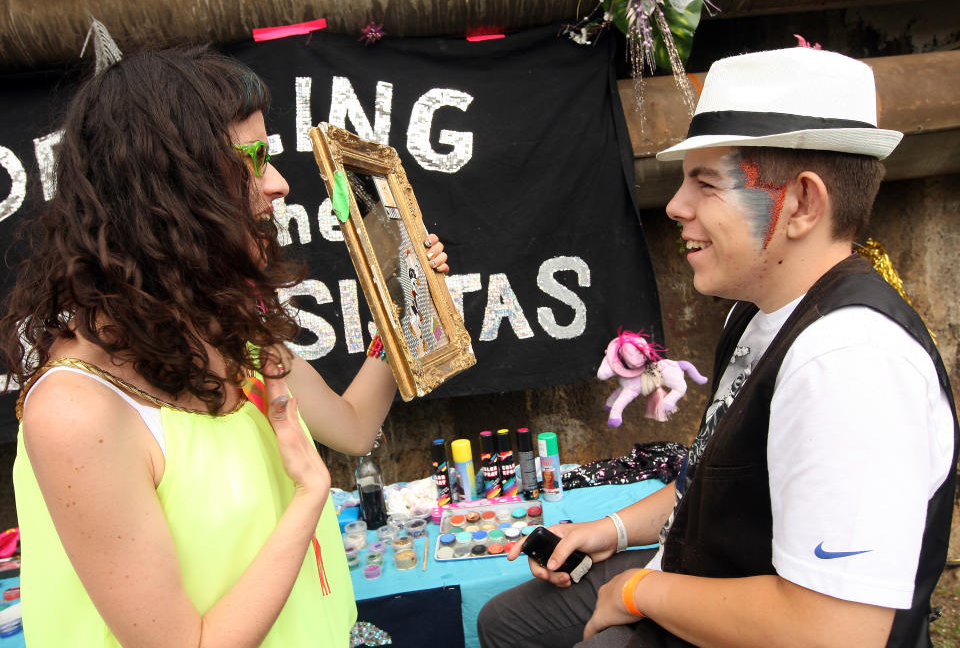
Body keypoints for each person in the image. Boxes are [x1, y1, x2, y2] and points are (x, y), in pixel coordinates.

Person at [477, 47, 957, 647]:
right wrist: (615, 530)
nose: (676, 206)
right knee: (507, 622)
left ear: (802, 204)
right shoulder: (757, 314)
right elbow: (715, 478)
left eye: (705, 183)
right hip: (704, 575)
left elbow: (835, 633)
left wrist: (636, 591)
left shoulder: (848, 364)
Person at [0, 46, 449, 647]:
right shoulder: (77, 412)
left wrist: (404, 307)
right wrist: (310, 494)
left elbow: (353, 425)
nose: (279, 184)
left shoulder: (229, 333)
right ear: (168, 185)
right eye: (254, 158)